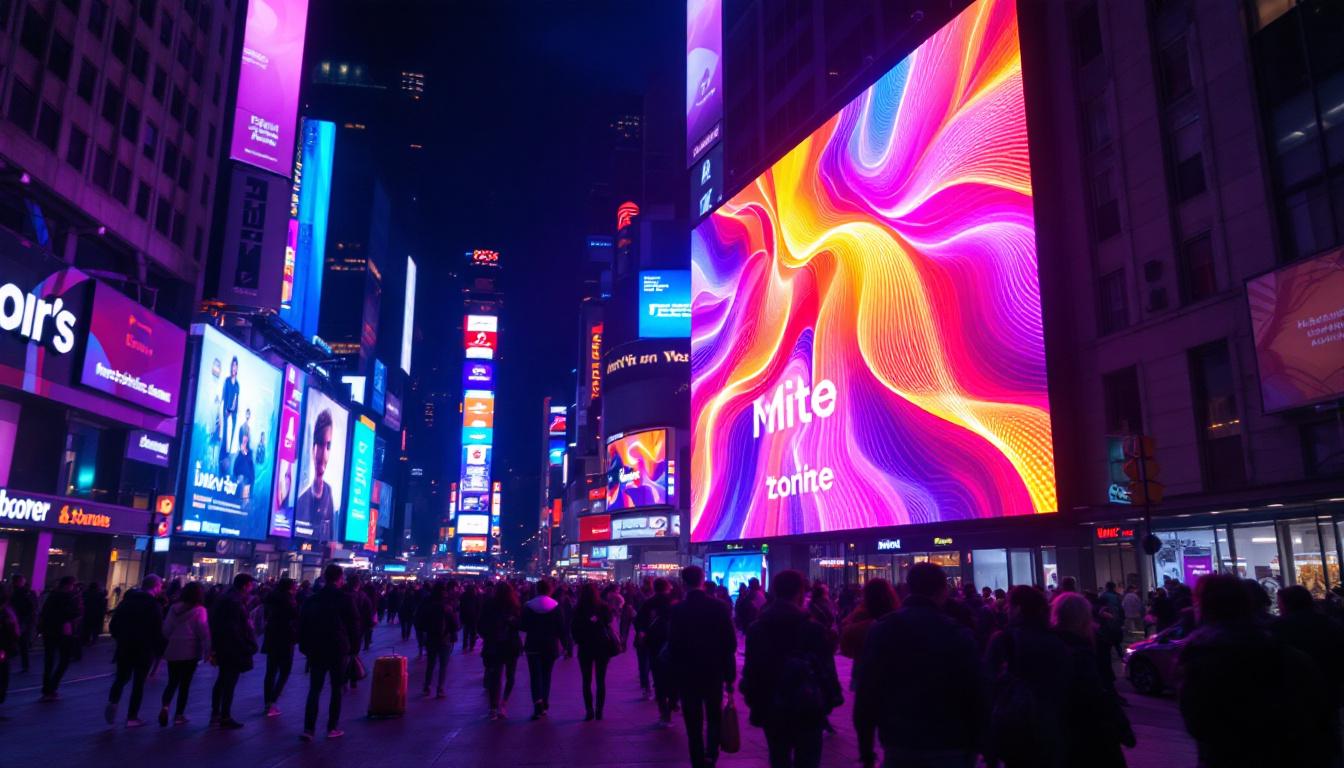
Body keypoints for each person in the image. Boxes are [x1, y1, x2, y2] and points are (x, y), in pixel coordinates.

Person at [1179, 574, 1334, 767]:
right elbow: (1318, 712)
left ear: (1204, 608)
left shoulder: (1201, 658)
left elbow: (1198, 724)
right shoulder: (1284, 651)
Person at [856, 563, 985, 767]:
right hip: (950, 741)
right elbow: (977, 693)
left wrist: (866, 750)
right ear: (943, 590)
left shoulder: (882, 629)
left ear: (908, 588)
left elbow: (866, 693)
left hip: (900, 740)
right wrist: (978, 744)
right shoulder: (957, 633)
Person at [741, 570, 842, 768]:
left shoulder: (757, 629)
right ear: (800, 592)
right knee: (808, 758)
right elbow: (826, 669)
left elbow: (752, 671)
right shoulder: (813, 628)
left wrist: (754, 700)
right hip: (808, 704)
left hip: (772, 703)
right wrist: (828, 700)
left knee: (778, 757)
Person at [1053, 592, 1134, 767]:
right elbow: (1097, 695)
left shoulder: (1051, 645)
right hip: (1089, 734)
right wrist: (1122, 727)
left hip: (1058, 735)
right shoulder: (1082, 650)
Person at [667, 566, 737, 768]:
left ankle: (697, 758)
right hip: (713, 670)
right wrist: (729, 675)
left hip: (687, 671)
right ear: (702, 580)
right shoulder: (719, 607)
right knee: (714, 714)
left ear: (683, 583)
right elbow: (730, 643)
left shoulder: (678, 610)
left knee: (692, 719)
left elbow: (673, 644)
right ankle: (711, 754)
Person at [839, 579, 899, 768]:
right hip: (892, 671)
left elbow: (846, 644)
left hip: (864, 669)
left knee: (864, 714)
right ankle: (889, 749)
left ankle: (867, 755)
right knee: (890, 712)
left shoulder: (859, 616)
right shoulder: (897, 615)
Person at [299, 564, 360, 741]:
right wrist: (354, 648)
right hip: (338, 648)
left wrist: (304, 647)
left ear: (325, 578)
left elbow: (303, 624)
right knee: (336, 688)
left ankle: (309, 729)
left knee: (314, 689)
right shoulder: (345, 598)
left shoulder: (313, 599)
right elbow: (354, 625)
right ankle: (332, 727)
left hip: (316, 648)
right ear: (340, 579)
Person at [105, 574, 164, 727]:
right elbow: (157, 629)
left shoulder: (127, 601)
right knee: (139, 683)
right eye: (160, 586)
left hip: (125, 645)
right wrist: (159, 649)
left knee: (121, 677)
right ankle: (132, 717)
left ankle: (113, 702)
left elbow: (114, 624)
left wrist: (120, 638)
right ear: (155, 586)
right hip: (144, 648)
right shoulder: (153, 605)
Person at [208, 573, 257, 728]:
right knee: (229, 681)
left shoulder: (226, 598)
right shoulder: (235, 602)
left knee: (222, 679)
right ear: (245, 586)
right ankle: (225, 715)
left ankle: (216, 713)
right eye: (250, 585)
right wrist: (245, 645)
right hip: (233, 647)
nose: (252, 587)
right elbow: (234, 628)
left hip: (223, 645)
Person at [159, 581, 209, 726]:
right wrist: (207, 649)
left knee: (172, 682)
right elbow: (203, 632)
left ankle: (165, 707)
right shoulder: (200, 610)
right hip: (190, 650)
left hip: (173, 649)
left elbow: (166, 629)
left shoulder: (173, 608)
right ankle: (179, 715)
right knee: (185, 684)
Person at [571, 582, 617, 721]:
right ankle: (599, 710)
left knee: (586, 680)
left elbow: (573, 629)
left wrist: (579, 639)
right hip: (602, 646)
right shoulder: (603, 607)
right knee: (600, 680)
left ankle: (589, 710)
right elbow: (609, 622)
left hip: (585, 647)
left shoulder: (578, 609)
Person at [520, 578, 564, 719]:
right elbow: (561, 628)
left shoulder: (528, 606)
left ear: (537, 589)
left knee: (534, 675)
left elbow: (523, 626)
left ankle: (537, 703)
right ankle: (544, 702)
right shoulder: (556, 606)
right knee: (546, 675)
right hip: (550, 645)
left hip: (533, 644)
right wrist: (565, 645)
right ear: (550, 590)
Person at [478, 581, 522, 719]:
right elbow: (521, 624)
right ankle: (503, 703)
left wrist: (488, 636)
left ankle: (493, 707)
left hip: (494, 644)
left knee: (495, 676)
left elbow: (480, 625)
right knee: (510, 675)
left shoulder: (489, 605)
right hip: (511, 644)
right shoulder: (514, 605)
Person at [295, 409, 338, 541]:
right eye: (320, 444)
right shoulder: (301, 502)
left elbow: (331, 540)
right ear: (313, 448)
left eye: (328, 446)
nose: (323, 455)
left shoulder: (329, 492)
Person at [634, 577, 674, 711]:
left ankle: (661, 701)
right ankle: (671, 698)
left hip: (653, 640)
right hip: (670, 640)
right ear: (667, 587)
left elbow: (639, 621)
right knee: (670, 670)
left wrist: (642, 632)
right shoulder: (673, 602)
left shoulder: (648, 602)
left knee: (655, 669)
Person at [38, 575, 81, 701]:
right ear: (68, 585)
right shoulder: (68, 597)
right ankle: (52, 687)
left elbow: (44, 612)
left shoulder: (51, 595)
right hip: (63, 631)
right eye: (73, 585)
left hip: (49, 631)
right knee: (64, 659)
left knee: (49, 661)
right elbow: (71, 613)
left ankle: (46, 688)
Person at [262, 577, 299, 717]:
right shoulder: (289, 600)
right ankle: (272, 701)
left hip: (271, 636)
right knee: (285, 671)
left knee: (270, 671)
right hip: (285, 637)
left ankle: (267, 701)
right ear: (290, 587)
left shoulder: (271, 598)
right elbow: (295, 616)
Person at [416, 581, 459, 698]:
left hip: (431, 636)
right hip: (445, 638)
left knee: (430, 663)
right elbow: (455, 623)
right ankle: (440, 688)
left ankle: (427, 686)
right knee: (443, 665)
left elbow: (420, 619)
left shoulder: (427, 602)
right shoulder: (448, 604)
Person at [9, 575, 35, 673]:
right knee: (22, 643)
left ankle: (23, 663)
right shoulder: (26, 592)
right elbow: (32, 607)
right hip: (22, 620)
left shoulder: (16, 592)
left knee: (17, 641)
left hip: (19, 619)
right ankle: (25, 665)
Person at [0, 583, 18, 715]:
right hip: (3, 646)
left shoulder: (6, 609)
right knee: (2, 675)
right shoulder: (5, 610)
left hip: (5, 646)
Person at [222, 356, 240, 457]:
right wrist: (226, 411)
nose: (234, 368)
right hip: (226, 413)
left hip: (233, 415)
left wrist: (234, 412)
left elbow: (237, 400)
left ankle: (228, 457)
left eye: (236, 366)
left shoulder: (237, 385)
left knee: (231, 439)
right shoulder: (227, 381)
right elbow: (224, 397)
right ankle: (222, 457)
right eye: (233, 365)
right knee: (225, 438)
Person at [460, 583, 481, 653]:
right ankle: (471, 646)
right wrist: (478, 617)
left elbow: (461, 608)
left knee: (466, 632)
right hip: (473, 617)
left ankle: (465, 646)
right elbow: (478, 607)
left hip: (466, 617)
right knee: (472, 633)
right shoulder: (475, 596)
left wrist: (461, 617)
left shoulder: (463, 596)